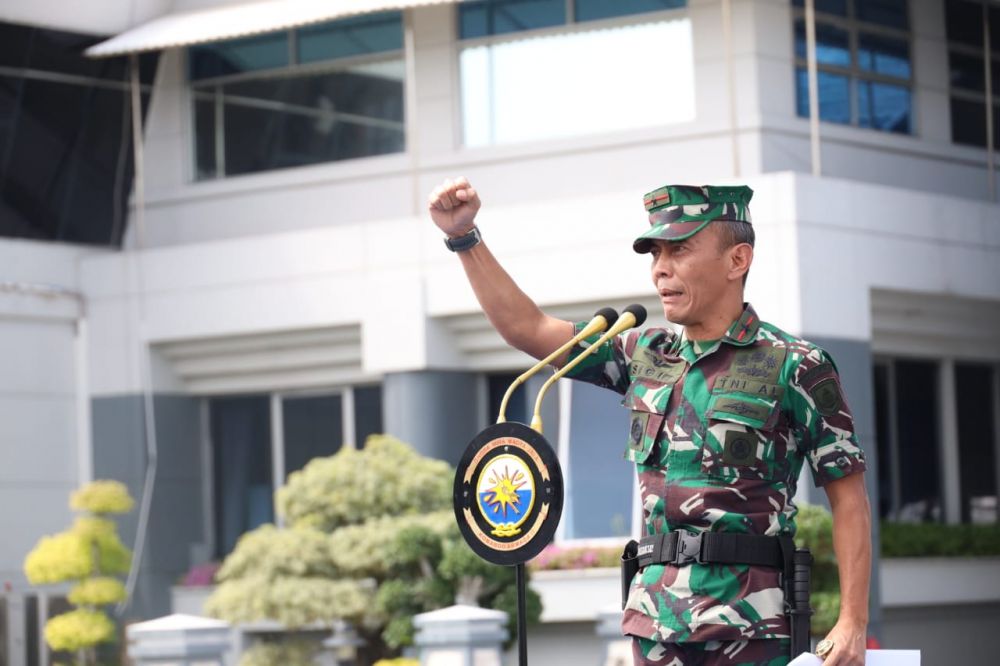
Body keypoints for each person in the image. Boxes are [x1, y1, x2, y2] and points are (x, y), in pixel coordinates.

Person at [428, 177, 871, 666]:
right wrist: (464, 238)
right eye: (655, 254)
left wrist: (852, 620)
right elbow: (528, 330)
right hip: (655, 625)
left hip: (750, 624)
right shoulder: (644, 353)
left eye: (679, 250)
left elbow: (847, 497)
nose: (661, 270)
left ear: (737, 260)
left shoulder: (796, 365)